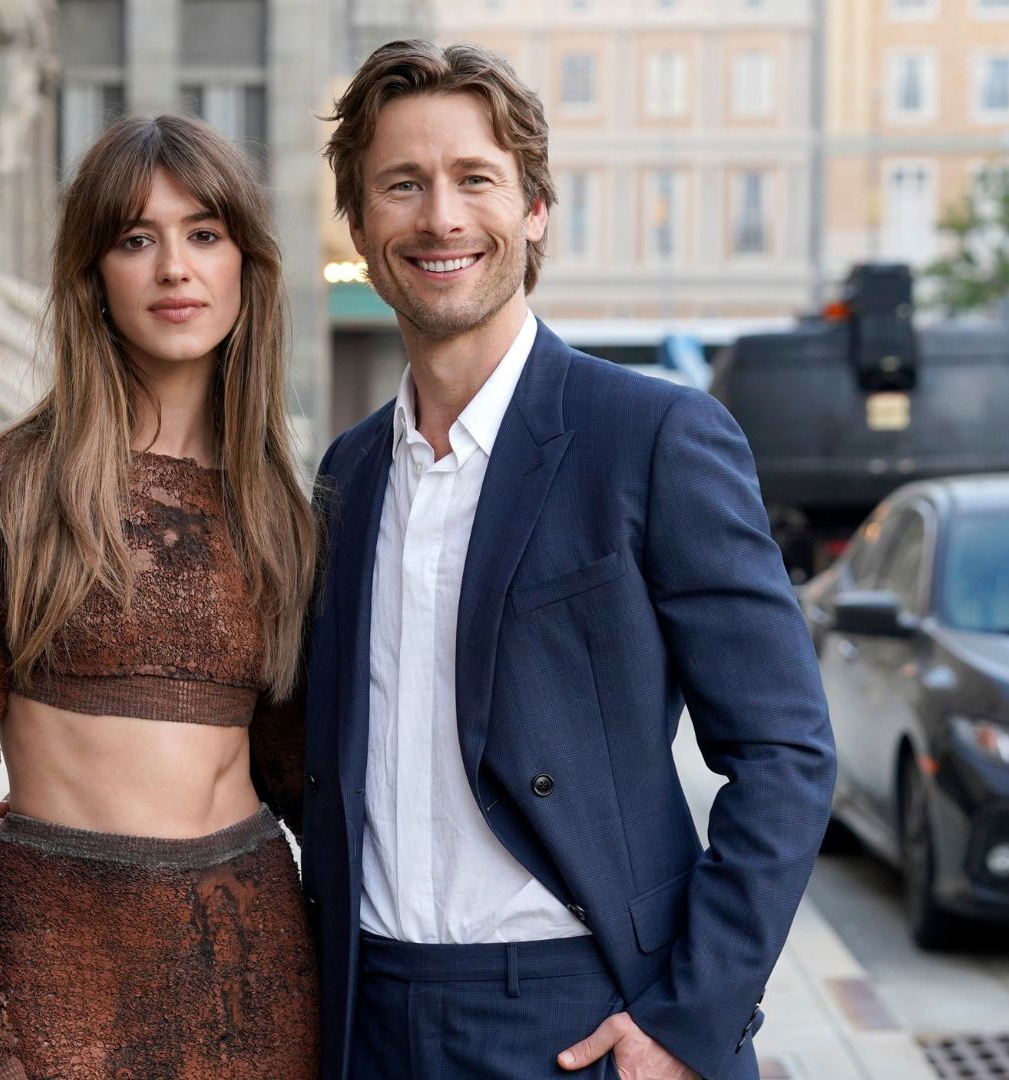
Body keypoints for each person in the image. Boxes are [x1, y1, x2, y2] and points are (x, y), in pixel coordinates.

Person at [298, 41, 837, 1080]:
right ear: (360, 226)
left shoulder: (654, 436)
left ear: (535, 208)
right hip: (367, 1014)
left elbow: (787, 752)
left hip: (580, 1018)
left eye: (474, 180)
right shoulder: (348, 475)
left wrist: (690, 1019)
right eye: (401, 185)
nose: (440, 217)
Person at [0, 113, 321, 1080]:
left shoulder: (284, 512)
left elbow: (312, 779)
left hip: (259, 959)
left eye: (205, 234)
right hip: (66, 957)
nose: (175, 267)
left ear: (246, 267)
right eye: (137, 239)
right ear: (94, 275)